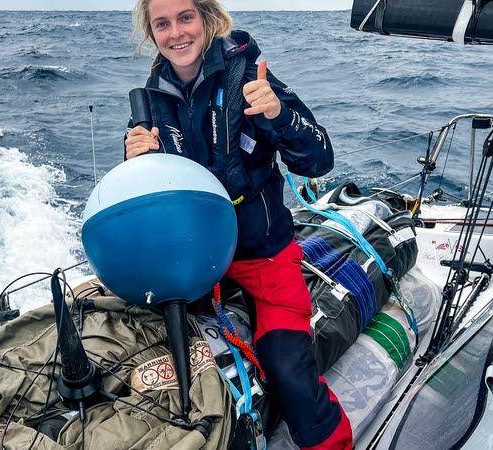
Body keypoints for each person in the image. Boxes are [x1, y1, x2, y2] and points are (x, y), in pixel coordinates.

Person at [124, 1, 352, 449]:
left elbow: (319, 157)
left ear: (208, 20)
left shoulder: (249, 77)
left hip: (262, 255)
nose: (176, 33)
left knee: (288, 373)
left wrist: (278, 115)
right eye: (162, 23)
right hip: (190, 260)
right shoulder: (150, 101)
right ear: (152, 34)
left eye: (185, 17)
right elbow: (143, 200)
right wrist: (132, 160)